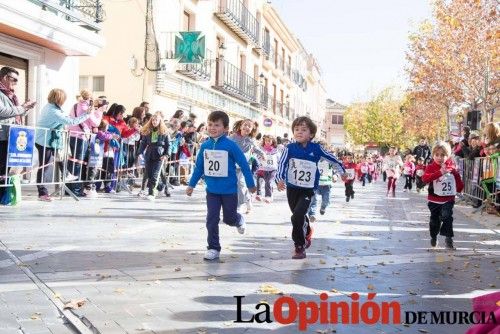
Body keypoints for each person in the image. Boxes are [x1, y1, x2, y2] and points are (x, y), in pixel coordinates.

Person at [186, 110, 256, 261]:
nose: (212, 128)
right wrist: (191, 185)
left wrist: (250, 183)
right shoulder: (205, 146)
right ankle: (213, 247)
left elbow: (244, 164)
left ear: (225, 128)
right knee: (211, 219)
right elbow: (199, 167)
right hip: (212, 190)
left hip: (229, 190)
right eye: (210, 124)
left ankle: (239, 220)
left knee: (229, 219)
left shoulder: (230, 145)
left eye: (216, 125)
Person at [276, 116, 346, 260]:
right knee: (298, 216)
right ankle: (307, 230)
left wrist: (342, 172)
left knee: (297, 215)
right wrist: (279, 179)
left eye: (303, 130)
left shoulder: (316, 148)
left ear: (311, 134)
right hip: (292, 188)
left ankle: (299, 246)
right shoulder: (289, 148)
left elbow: (332, 159)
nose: (299, 132)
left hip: (308, 189)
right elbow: (282, 165)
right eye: (296, 129)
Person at [35, 88, 91, 201]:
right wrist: (87, 115)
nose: (64, 101)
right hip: (45, 141)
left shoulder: (53, 107)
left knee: (62, 156)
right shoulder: (53, 110)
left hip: (51, 140)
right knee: (45, 167)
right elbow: (71, 121)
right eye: (63, 99)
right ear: (59, 98)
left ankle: (66, 174)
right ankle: (42, 193)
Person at [0, 66, 36, 199]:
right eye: (13, 79)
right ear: (4, 77)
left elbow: (15, 112)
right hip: (2, 136)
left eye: (17, 81)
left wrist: (26, 109)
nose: (15, 83)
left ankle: (4, 195)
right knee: (1, 167)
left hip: (10, 136)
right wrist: (22, 108)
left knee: (7, 168)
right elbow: (2, 111)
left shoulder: (10, 95)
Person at [422, 141, 464, 249]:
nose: (440, 158)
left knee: (447, 216)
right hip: (434, 200)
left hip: (448, 199)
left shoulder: (452, 168)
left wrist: (459, 188)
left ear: (448, 155)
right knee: (434, 221)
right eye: (437, 155)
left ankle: (448, 239)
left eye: (443, 155)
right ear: (433, 155)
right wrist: (440, 173)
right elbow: (425, 178)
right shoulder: (431, 167)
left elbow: (458, 181)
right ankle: (434, 236)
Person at [229, 119, 265, 214]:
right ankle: (248, 202)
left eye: (249, 126)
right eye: (245, 125)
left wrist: (263, 154)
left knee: (241, 184)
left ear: (252, 129)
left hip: (244, 166)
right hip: (232, 165)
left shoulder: (251, 139)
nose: (246, 127)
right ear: (240, 126)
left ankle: (240, 205)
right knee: (238, 185)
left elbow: (256, 149)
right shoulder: (232, 137)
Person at [137, 112, 170, 201]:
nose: (154, 122)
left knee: (156, 174)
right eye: (153, 120)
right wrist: (139, 153)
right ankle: (161, 187)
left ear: (160, 121)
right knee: (149, 174)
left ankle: (152, 193)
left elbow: (168, 145)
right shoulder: (148, 131)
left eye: (156, 120)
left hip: (160, 155)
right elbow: (143, 143)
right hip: (149, 154)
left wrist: (166, 154)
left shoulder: (164, 132)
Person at [308, 156, 337, 222]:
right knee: (313, 199)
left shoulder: (330, 160)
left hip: (326, 185)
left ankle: (323, 207)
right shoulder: (313, 159)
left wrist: (335, 175)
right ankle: (312, 214)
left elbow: (336, 169)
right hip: (316, 184)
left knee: (326, 200)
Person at [255, 135, 279, 202]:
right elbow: (257, 156)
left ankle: (268, 196)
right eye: (266, 141)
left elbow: (278, 158)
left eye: (269, 141)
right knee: (259, 181)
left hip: (271, 169)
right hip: (262, 168)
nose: (267, 142)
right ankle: (258, 195)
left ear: (272, 141)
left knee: (268, 182)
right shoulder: (261, 149)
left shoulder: (275, 150)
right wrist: (260, 157)